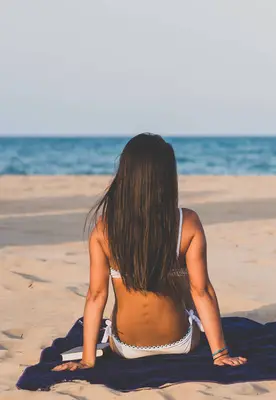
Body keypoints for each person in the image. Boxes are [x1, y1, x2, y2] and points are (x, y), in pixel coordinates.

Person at [53, 133, 247, 371]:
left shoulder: (104, 228)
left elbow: (96, 295)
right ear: (166, 177)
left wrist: (87, 359)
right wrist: (220, 354)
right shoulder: (187, 222)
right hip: (181, 342)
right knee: (183, 277)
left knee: (143, 277)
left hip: (125, 348)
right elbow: (202, 290)